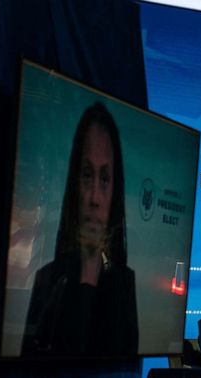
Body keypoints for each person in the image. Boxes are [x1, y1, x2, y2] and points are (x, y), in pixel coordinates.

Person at [22, 102, 138, 356]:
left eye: (105, 179)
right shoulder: (47, 279)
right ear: (74, 184)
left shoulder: (125, 283)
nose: (95, 198)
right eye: (87, 175)